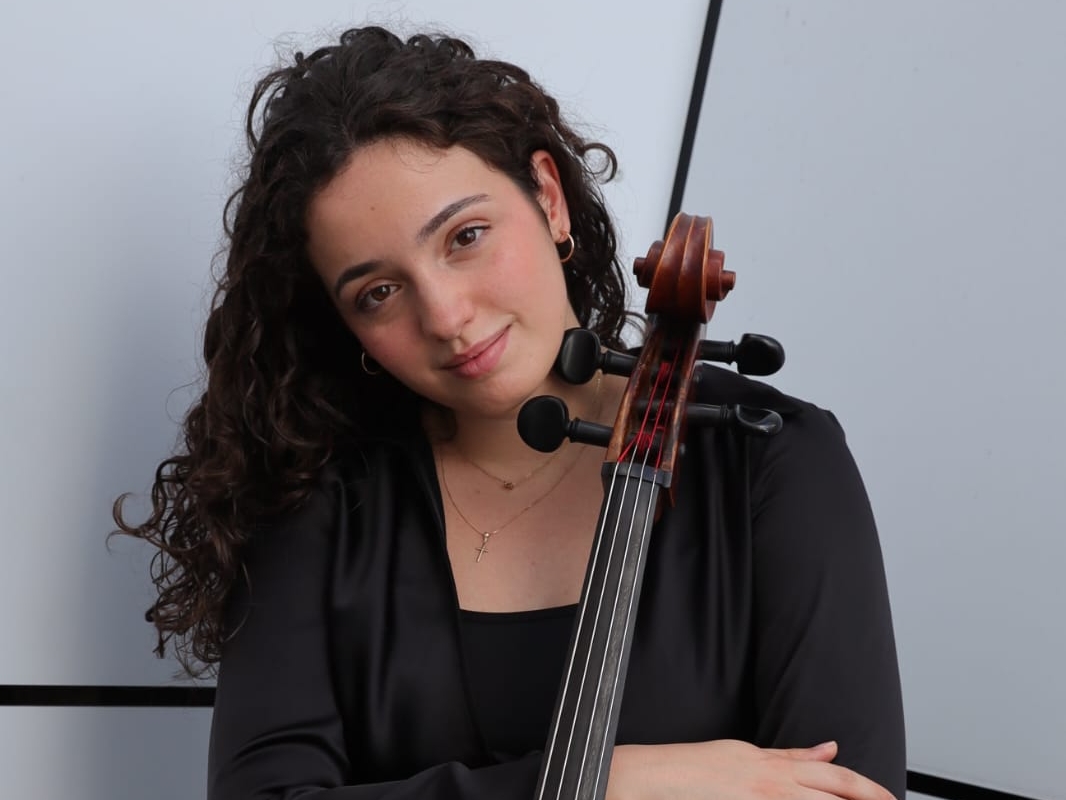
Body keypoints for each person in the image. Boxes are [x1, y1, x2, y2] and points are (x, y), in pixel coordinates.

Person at [114, 25, 906, 800]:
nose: (446, 316)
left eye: (466, 236)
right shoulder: (317, 503)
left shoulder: (770, 460)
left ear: (550, 200)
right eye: (378, 292)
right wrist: (616, 782)